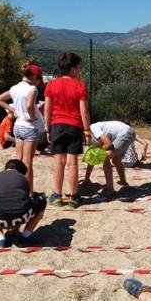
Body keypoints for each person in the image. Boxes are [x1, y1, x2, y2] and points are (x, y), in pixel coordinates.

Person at [44, 52, 91, 208]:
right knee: (72, 163)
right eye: (79, 67)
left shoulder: (51, 85)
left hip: (57, 125)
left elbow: (47, 109)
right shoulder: (81, 86)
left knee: (59, 162)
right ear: (72, 68)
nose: (80, 70)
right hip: (75, 126)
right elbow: (84, 111)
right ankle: (74, 197)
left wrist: (47, 128)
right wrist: (87, 131)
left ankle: (57, 196)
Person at [0, 62, 46, 194]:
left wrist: (12, 109)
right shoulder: (32, 89)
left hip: (18, 125)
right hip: (29, 126)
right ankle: (29, 192)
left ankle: (15, 189)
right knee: (28, 163)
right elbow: (30, 105)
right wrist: (31, 116)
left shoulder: (15, 88)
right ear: (35, 77)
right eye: (39, 79)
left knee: (18, 160)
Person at [0, 159, 46, 247]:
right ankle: (25, 235)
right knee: (41, 199)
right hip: (21, 216)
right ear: (22, 173)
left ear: (6, 169)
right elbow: (23, 202)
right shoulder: (24, 179)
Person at [82, 121, 137, 197]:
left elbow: (108, 143)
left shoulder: (93, 128)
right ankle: (123, 182)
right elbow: (92, 160)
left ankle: (110, 189)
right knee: (116, 160)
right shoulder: (89, 138)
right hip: (127, 133)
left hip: (125, 133)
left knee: (105, 157)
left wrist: (97, 154)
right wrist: (86, 179)